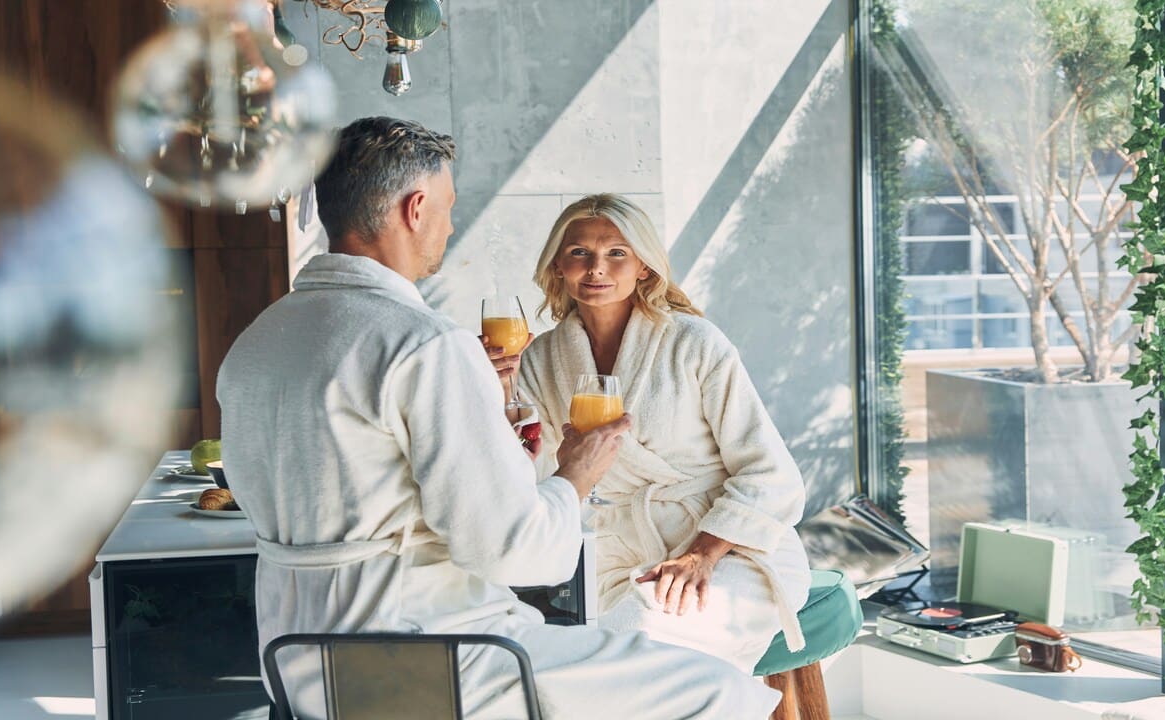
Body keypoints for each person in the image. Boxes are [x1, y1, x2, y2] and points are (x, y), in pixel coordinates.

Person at [217, 118, 781, 719]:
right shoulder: (424, 345)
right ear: (417, 208)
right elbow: (518, 555)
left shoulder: (256, 342)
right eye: (450, 207)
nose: (451, 225)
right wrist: (578, 473)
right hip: (435, 660)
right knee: (720, 692)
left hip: (299, 664)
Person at [510, 193, 812, 674]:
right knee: (554, 663)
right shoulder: (541, 358)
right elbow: (520, 471)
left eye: (616, 253)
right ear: (558, 266)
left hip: (728, 549)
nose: (596, 268)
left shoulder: (694, 342)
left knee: (626, 653)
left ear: (644, 268)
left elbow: (772, 474)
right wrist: (496, 381)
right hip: (612, 555)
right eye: (579, 252)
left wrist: (700, 556)